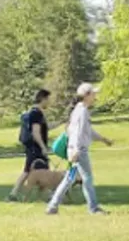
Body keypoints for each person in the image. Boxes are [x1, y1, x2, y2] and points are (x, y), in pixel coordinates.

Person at [46, 82, 114, 215]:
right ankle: (93, 208)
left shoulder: (80, 110)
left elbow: (88, 131)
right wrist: (76, 149)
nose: (95, 96)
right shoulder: (81, 111)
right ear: (87, 95)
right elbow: (76, 132)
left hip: (75, 150)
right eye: (93, 94)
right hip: (79, 151)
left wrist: (103, 139)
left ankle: (52, 206)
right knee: (87, 178)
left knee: (69, 178)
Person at [8, 87, 51, 199]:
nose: (49, 102)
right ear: (42, 99)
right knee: (29, 171)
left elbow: (45, 128)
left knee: (39, 170)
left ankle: (47, 194)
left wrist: (62, 122)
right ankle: (14, 194)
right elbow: (36, 132)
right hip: (35, 148)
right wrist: (43, 147)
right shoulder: (36, 114)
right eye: (47, 99)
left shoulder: (37, 113)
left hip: (34, 147)